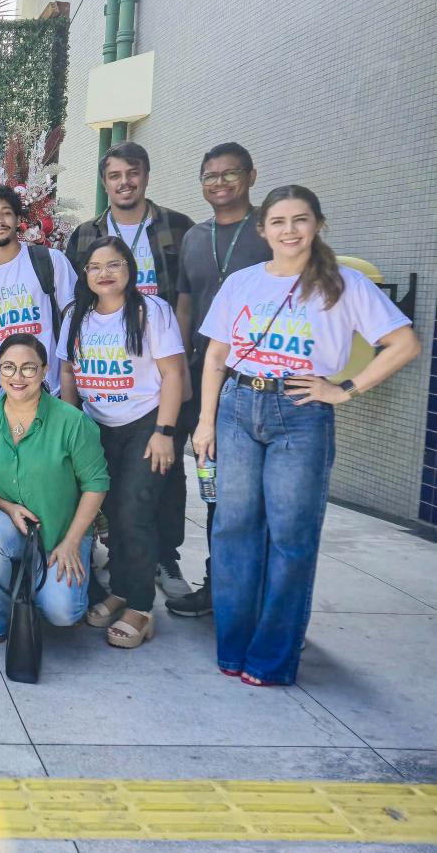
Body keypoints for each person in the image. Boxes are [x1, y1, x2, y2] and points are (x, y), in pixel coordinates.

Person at [193, 186, 418, 686]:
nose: (289, 230)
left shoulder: (343, 284)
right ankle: (233, 646)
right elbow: (216, 356)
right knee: (233, 530)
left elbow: (403, 343)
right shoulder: (243, 282)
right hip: (238, 405)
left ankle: (270, 658)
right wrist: (206, 421)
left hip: (300, 411)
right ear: (263, 229)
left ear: (317, 224)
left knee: (291, 537)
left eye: (300, 219)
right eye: (278, 221)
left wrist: (344, 389)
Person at [64, 141, 196, 600]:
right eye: (115, 175)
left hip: (160, 380)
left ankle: (163, 559)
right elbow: (77, 309)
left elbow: (187, 297)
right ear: (104, 182)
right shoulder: (85, 234)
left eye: (132, 172)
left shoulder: (177, 227)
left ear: (146, 175)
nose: (125, 182)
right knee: (117, 496)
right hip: (105, 394)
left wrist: (177, 370)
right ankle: (125, 570)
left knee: (163, 476)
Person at [58, 237, 186, 648]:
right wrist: (72, 427)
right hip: (97, 427)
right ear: (84, 274)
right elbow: (67, 373)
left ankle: (141, 607)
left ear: (130, 268)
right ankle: (121, 589)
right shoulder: (76, 315)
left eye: (114, 264)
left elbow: (173, 374)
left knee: (135, 513)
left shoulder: (151, 311)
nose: (104, 273)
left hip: (144, 425)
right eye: (95, 267)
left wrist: (165, 432)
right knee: (110, 514)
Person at [167, 143, 272, 617]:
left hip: (256, 377)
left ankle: (254, 593)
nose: (220, 183)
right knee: (212, 485)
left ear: (251, 176)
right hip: (203, 374)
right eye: (210, 176)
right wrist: (181, 370)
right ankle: (218, 584)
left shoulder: (269, 230)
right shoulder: (195, 237)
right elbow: (185, 306)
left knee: (252, 494)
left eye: (230, 174)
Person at [0, 334, 109, 647]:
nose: (17, 377)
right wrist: (7, 506)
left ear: (44, 370)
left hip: (60, 532)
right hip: (7, 524)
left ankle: (33, 577)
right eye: (8, 367)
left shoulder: (72, 422)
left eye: (28, 368)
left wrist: (72, 542)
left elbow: (96, 483)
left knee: (62, 612)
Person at [0, 184, 78, 420]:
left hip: (49, 399)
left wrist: (71, 404)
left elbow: (74, 322)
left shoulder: (50, 261)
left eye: (6, 213)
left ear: (18, 219)